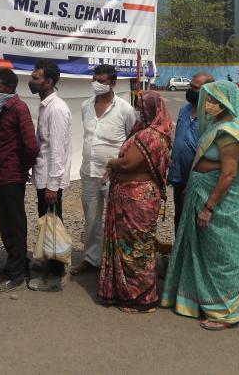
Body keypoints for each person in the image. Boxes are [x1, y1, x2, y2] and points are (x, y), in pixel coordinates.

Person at [161, 81, 239, 330]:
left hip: (223, 205)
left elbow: (229, 174)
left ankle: (227, 313)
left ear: (227, 103)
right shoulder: (217, 126)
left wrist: (209, 207)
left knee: (222, 257)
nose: (207, 105)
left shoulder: (231, 132)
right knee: (202, 253)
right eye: (206, 100)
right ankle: (200, 301)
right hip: (202, 194)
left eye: (213, 101)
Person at [98, 91, 172, 313]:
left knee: (136, 248)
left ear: (153, 108)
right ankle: (125, 292)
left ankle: (141, 298)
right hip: (130, 196)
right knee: (128, 246)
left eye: (142, 106)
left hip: (137, 198)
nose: (139, 110)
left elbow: (129, 164)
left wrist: (112, 161)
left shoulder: (151, 135)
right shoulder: (147, 131)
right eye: (137, 106)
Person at [73, 64, 137, 277]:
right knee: (91, 220)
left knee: (117, 219)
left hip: (114, 176)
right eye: (95, 79)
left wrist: (120, 168)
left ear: (113, 83)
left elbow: (131, 141)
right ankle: (92, 259)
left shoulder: (125, 109)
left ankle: (116, 263)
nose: (97, 84)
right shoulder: (85, 106)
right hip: (89, 173)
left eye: (102, 81)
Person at [0, 68, 39, 292]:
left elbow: (32, 145)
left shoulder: (18, 108)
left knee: (13, 224)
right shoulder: (3, 109)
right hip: (4, 173)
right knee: (8, 222)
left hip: (12, 174)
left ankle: (16, 275)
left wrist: (22, 166)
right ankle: (17, 264)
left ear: (8, 87)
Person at [28, 59, 72, 292]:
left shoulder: (56, 109)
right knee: (47, 222)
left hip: (50, 180)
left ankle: (56, 274)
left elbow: (57, 151)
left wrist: (53, 186)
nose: (31, 81)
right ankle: (49, 261)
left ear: (49, 81)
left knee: (54, 223)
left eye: (36, 78)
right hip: (44, 176)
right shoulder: (45, 105)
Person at [170, 72, 215, 230]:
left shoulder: (213, 116)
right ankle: (179, 254)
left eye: (195, 88)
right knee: (179, 218)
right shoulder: (184, 110)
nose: (190, 90)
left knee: (196, 223)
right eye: (191, 86)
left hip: (200, 180)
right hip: (179, 177)